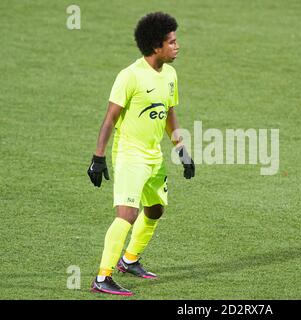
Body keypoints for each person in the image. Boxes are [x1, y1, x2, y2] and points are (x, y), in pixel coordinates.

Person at [87, 12, 195, 296]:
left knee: (155, 209)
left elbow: (169, 113)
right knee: (127, 214)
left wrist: (181, 148)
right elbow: (109, 118)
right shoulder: (130, 76)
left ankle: (130, 259)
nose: (177, 46)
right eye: (171, 42)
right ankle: (102, 277)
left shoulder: (170, 74)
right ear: (155, 46)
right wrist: (98, 157)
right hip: (130, 156)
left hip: (153, 156)